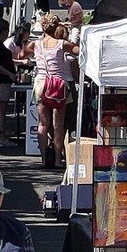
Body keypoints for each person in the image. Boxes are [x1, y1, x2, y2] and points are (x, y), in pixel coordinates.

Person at [19, 20, 78, 169]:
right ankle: (58, 160)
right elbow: (78, 50)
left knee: (42, 124)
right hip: (58, 84)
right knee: (58, 125)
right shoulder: (62, 44)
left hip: (40, 83)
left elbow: (21, 55)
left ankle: (44, 159)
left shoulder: (35, 44)